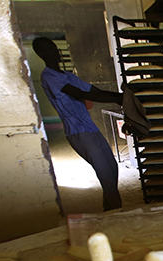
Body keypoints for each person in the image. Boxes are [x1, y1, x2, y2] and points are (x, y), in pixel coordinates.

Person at [32, 37, 124, 211]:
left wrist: (118, 96)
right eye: (48, 49)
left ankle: (110, 212)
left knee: (111, 168)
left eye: (54, 48)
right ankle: (116, 214)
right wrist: (118, 98)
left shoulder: (67, 76)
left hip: (89, 128)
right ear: (41, 54)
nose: (54, 51)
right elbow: (79, 93)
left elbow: (92, 91)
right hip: (78, 132)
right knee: (105, 174)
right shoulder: (49, 77)